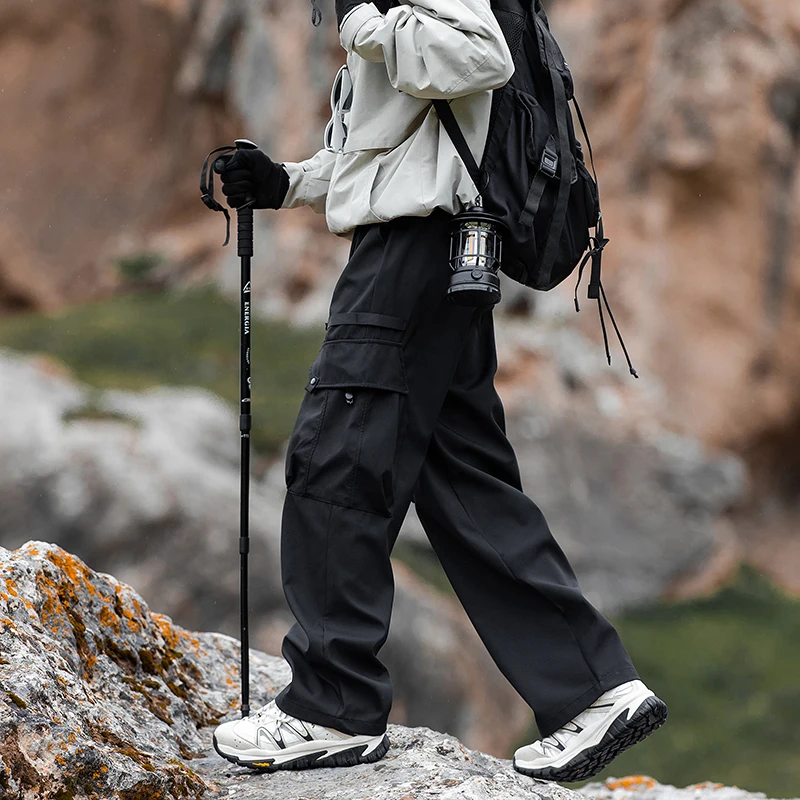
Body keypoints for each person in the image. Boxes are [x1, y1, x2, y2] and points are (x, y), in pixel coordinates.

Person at [212, 0, 667, 782]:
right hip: (441, 251)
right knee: (464, 482)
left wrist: (363, 23)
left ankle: (332, 703)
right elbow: (397, 148)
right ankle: (594, 692)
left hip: (411, 254)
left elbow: (479, 57)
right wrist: (285, 183)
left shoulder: (381, 11)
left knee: (335, 463)